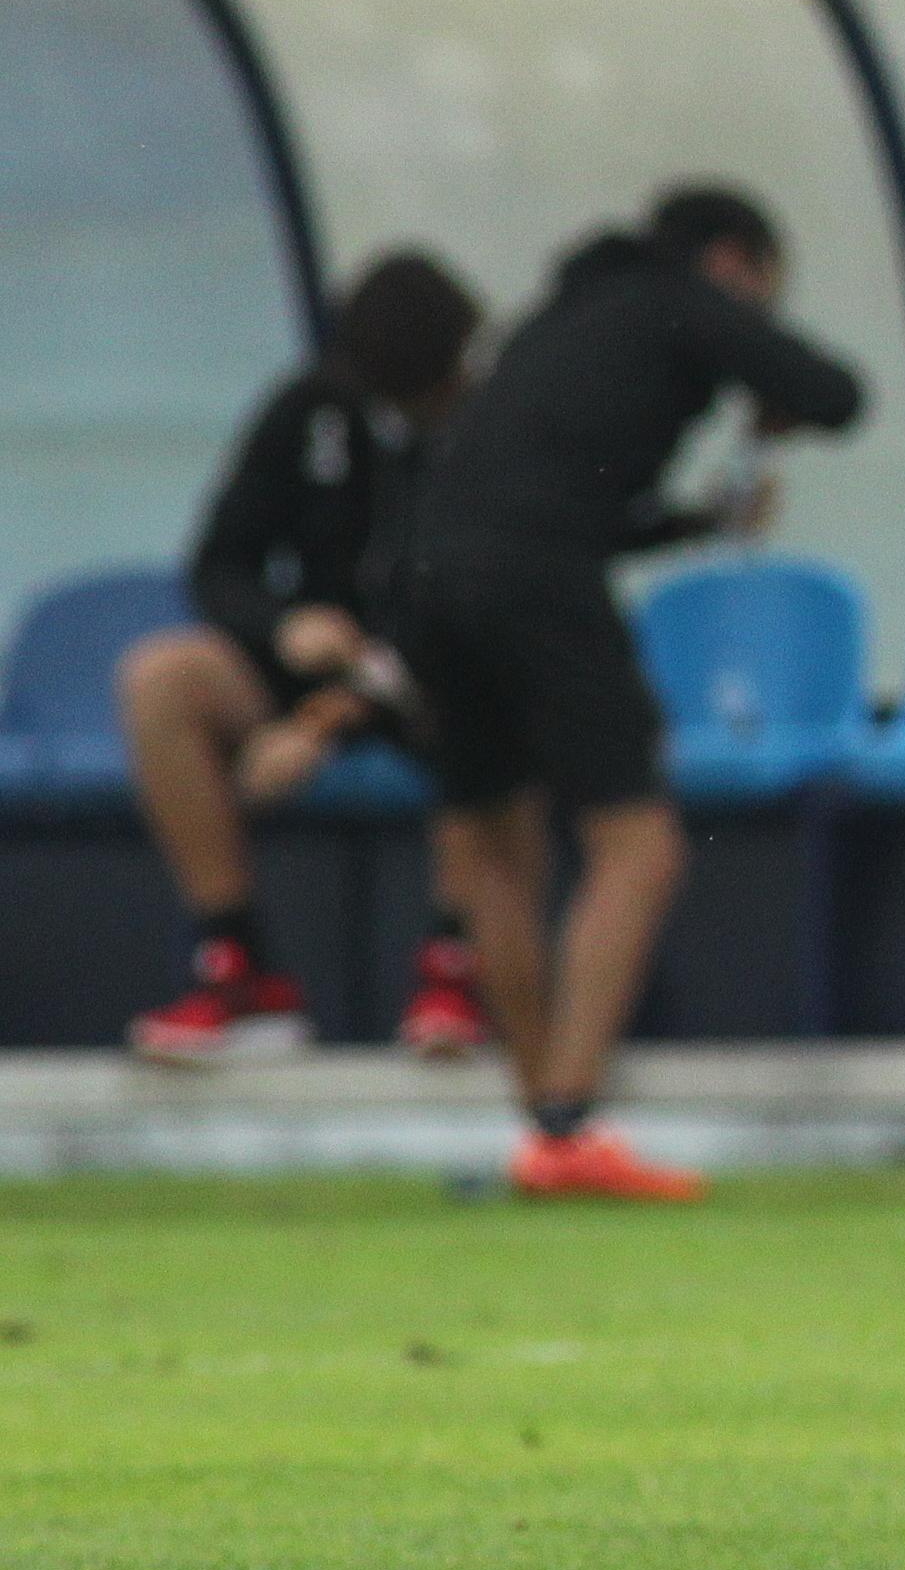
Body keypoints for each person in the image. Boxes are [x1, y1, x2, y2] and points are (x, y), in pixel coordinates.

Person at [393, 183, 865, 1201]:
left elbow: (562, 496)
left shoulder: (556, 320)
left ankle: (539, 1134)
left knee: (490, 844)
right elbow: (838, 392)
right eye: (759, 300)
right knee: (637, 843)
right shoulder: (680, 299)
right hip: (533, 580)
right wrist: (767, 388)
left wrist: (696, 520)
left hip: (429, 579)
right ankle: (569, 1123)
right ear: (733, 263)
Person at [118, 255, 491, 1066]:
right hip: (316, 674)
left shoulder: (483, 432)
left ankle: (456, 966)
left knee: (490, 693)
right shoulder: (310, 408)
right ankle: (239, 969)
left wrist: (318, 725)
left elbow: (465, 609)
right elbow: (217, 564)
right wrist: (284, 627)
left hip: (428, 679)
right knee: (160, 677)